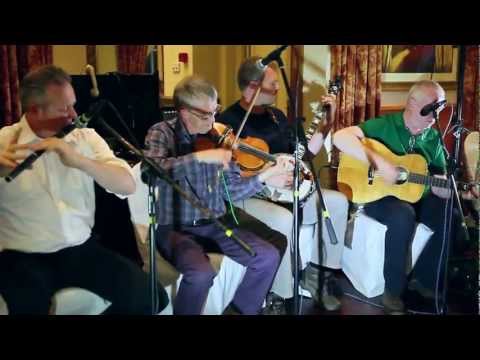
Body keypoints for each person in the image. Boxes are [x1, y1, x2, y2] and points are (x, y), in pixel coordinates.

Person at [0, 65, 168, 315]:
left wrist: (81, 161)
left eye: (73, 104)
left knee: (153, 298)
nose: (74, 114)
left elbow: (127, 184)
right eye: (64, 108)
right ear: (35, 110)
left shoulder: (86, 138)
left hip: (80, 249)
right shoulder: (4, 141)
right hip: (22, 255)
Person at [144, 75, 290, 315]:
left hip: (215, 224)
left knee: (267, 257)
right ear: (184, 112)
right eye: (207, 115)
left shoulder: (218, 139)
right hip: (175, 228)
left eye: (215, 111)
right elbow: (152, 170)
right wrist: (199, 158)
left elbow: (231, 190)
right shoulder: (161, 133)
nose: (214, 120)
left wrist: (264, 176)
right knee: (201, 273)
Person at [217, 57, 349, 311]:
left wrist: (327, 123)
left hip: (288, 191)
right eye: (273, 83)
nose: (278, 88)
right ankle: (281, 292)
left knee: (337, 201)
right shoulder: (228, 121)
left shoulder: (276, 116)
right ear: (253, 87)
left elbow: (303, 152)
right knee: (283, 219)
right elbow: (225, 177)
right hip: (252, 194)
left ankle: (319, 272)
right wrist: (268, 173)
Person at [333, 80, 469, 314]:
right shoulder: (385, 125)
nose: (435, 115)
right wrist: (379, 163)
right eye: (431, 108)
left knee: (448, 212)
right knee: (402, 215)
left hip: (417, 194)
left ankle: (426, 281)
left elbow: (438, 177)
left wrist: (452, 189)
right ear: (413, 103)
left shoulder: (433, 138)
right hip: (376, 194)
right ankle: (392, 290)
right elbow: (340, 138)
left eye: (439, 109)